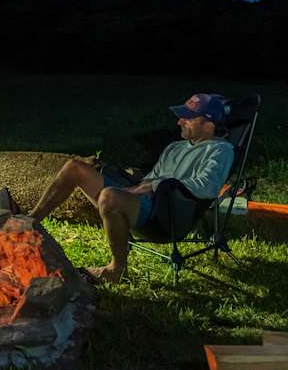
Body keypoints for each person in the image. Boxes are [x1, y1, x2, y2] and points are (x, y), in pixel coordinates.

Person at [27, 93, 235, 284]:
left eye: (188, 118)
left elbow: (207, 187)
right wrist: (136, 186)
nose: (179, 121)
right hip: (143, 203)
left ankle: (116, 269)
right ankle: (30, 222)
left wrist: (153, 185)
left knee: (110, 196)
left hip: (166, 217)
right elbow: (151, 178)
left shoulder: (221, 151)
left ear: (209, 125)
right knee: (75, 168)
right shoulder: (176, 147)